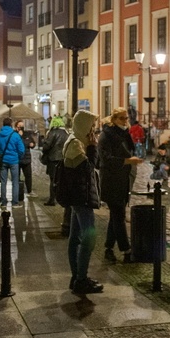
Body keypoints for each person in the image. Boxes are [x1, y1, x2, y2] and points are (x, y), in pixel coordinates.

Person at [58, 110, 103, 294]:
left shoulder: (78, 141)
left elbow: (95, 165)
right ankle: (81, 279)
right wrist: (92, 148)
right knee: (88, 238)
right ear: (83, 125)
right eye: (91, 125)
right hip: (80, 198)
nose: (93, 129)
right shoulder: (75, 144)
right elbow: (87, 170)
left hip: (79, 197)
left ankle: (77, 277)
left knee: (75, 237)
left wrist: (92, 147)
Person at [98, 107, 142, 264]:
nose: (125, 121)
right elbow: (106, 160)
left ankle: (108, 248)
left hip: (123, 181)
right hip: (111, 181)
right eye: (122, 118)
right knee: (119, 216)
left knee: (115, 216)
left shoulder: (123, 134)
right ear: (114, 119)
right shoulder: (105, 136)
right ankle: (126, 250)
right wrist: (128, 161)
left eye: (126, 118)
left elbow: (128, 151)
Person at [0, 117, 25, 208]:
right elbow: (21, 150)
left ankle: (3, 202)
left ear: (3, 124)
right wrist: (17, 157)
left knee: (3, 182)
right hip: (14, 161)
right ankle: (15, 202)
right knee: (15, 182)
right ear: (11, 125)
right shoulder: (15, 135)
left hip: (3, 161)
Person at [41, 116, 68, 206]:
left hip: (53, 159)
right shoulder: (66, 133)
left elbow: (46, 147)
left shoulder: (52, 132)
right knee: (61, 180)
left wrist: (44, 146)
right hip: (63, 159)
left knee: (53, 180)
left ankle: (52, 200)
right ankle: (62, 198)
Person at [16, 121, 35, 201]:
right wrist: (20, 137)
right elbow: (17, 144)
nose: (21, 127)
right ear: (16, 127)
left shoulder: (27, 134)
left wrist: (32, 144)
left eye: (22, 126)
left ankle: (29, 190)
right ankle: (17, 192)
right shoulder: (15, 135)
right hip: (17, 159)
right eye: (20, 126)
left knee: (28, 176)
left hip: (26, 159)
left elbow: (32, 142)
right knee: (17, 176)